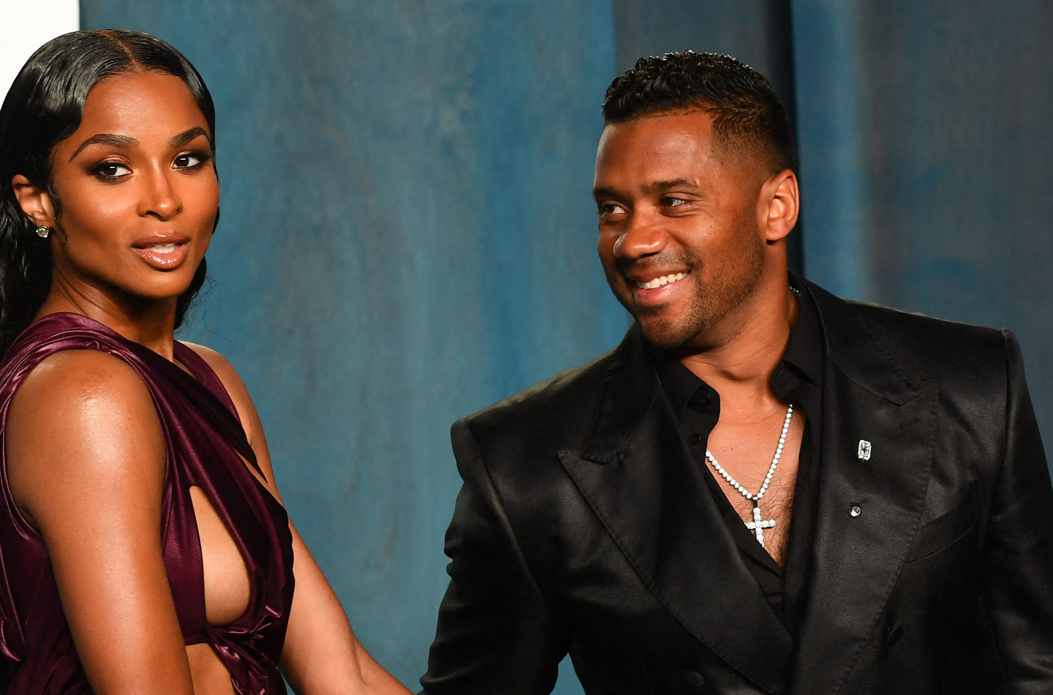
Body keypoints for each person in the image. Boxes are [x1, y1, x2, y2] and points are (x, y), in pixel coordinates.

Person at [421, 51, 1053, 694]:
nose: (633, 241)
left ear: (776, 206)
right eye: (612, 209)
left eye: (673, 201)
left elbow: (1039, 667)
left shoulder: (969, 387)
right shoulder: (525, 464)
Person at [0, 30, 409, 695]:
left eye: (188, 158)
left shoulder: (210, 379)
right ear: (36, 198)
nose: (164, 199)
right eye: (112, 168)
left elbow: (341, 673)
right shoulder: (85, 394)